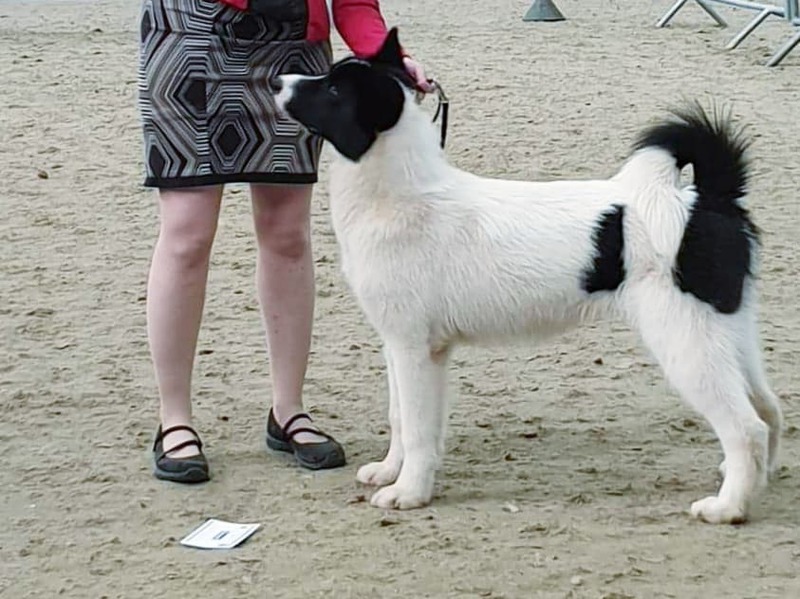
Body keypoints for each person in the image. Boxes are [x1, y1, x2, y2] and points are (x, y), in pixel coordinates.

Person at [138, 0, 431, 483]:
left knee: (287, 233)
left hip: (293, 53)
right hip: (191, 39)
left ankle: (288, 409)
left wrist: (388, 58)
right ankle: (174, 419)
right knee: (187, 234)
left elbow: (354, 2)